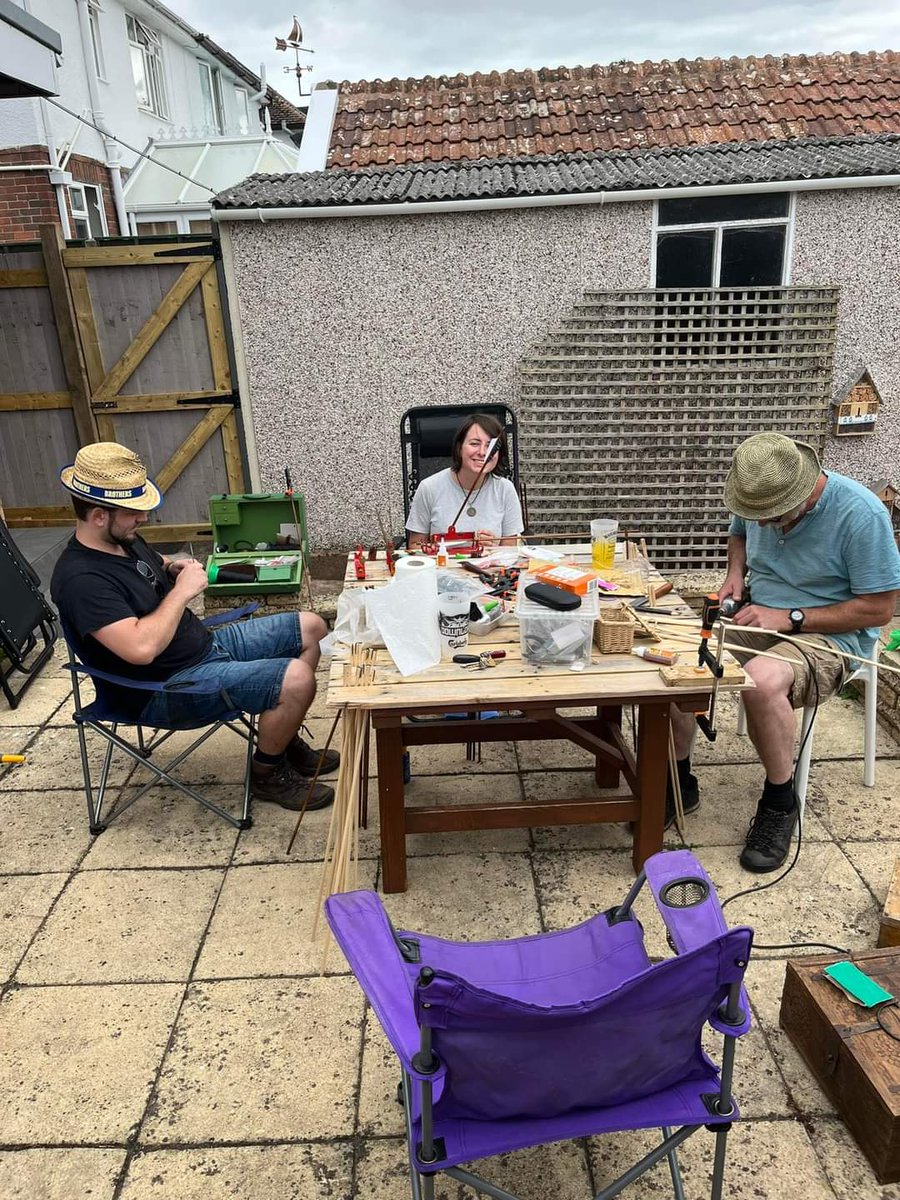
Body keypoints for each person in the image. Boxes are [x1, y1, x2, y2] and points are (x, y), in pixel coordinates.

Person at [50, 442, 339, 813]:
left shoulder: (123, 541)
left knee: (312, 626)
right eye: (134, 512)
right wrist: (182, 594)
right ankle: (267, 772)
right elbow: (140, 648)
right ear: (98, 516)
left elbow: (158, 563)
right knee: (297, 679)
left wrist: (174, 568)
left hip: (203, 646)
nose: (144, 519)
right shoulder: (82, 580)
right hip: (164, 687)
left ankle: (280, 736)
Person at [669, 432, 900, 873]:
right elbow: (739, 531)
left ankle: (779, 801)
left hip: (831, 632)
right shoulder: (759, 490)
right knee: (683, 659)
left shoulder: (861, 514)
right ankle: (679, 779)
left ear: (803, 491)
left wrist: (791, 617)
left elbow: (879, 609)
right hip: (761, 611)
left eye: (773, 517)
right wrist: (735, 574)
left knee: (762, 682)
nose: (766, 524)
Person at [406, 413, 524, 550]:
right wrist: (434, 550)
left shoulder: (505, 490)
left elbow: (510, 549)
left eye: (490, 446)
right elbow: (414, 546)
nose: (482, 452)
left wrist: (495, 546)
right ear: (459, 447)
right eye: (474, 443)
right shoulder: (429, 488)